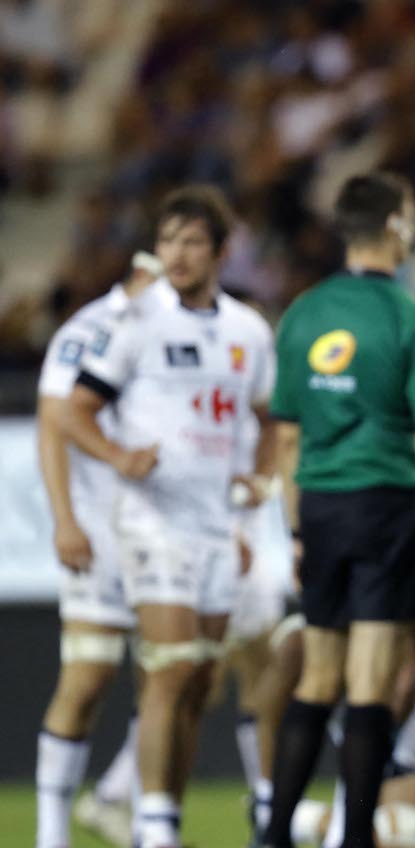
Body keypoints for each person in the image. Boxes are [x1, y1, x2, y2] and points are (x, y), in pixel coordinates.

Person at [261, 171, 415, 848]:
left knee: (318, 678)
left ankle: (273, 834)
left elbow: (289, 439)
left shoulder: (302, 312)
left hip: (323, 511)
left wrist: (298, 531)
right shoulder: (412, 317)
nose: (413, 230)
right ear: (393, 225)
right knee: (369, 685)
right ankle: (356, 838)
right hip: (386, 507)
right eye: (410, 218)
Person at [64, 187, 278, 848]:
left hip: (217, 525)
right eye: (167, 241)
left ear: (219, 251)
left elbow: (271, 420)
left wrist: (260, 478)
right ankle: (154, 826)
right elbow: (75, 410)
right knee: (172, 665)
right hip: (152, 521)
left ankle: (163, 817)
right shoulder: (135, 322)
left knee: (201, 680)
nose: (176, 255)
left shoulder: (248, 330)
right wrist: (116, 453)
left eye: (191, 242)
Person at [33, 251, 161, 848]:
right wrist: (65, 520)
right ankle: (51, 834)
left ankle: (119, 797)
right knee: (87, 678)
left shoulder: (198, 327)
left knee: (187, 674)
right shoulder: (87, 331)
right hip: (103, 528)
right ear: (142, 271)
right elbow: (54, 422)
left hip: (172, 531)